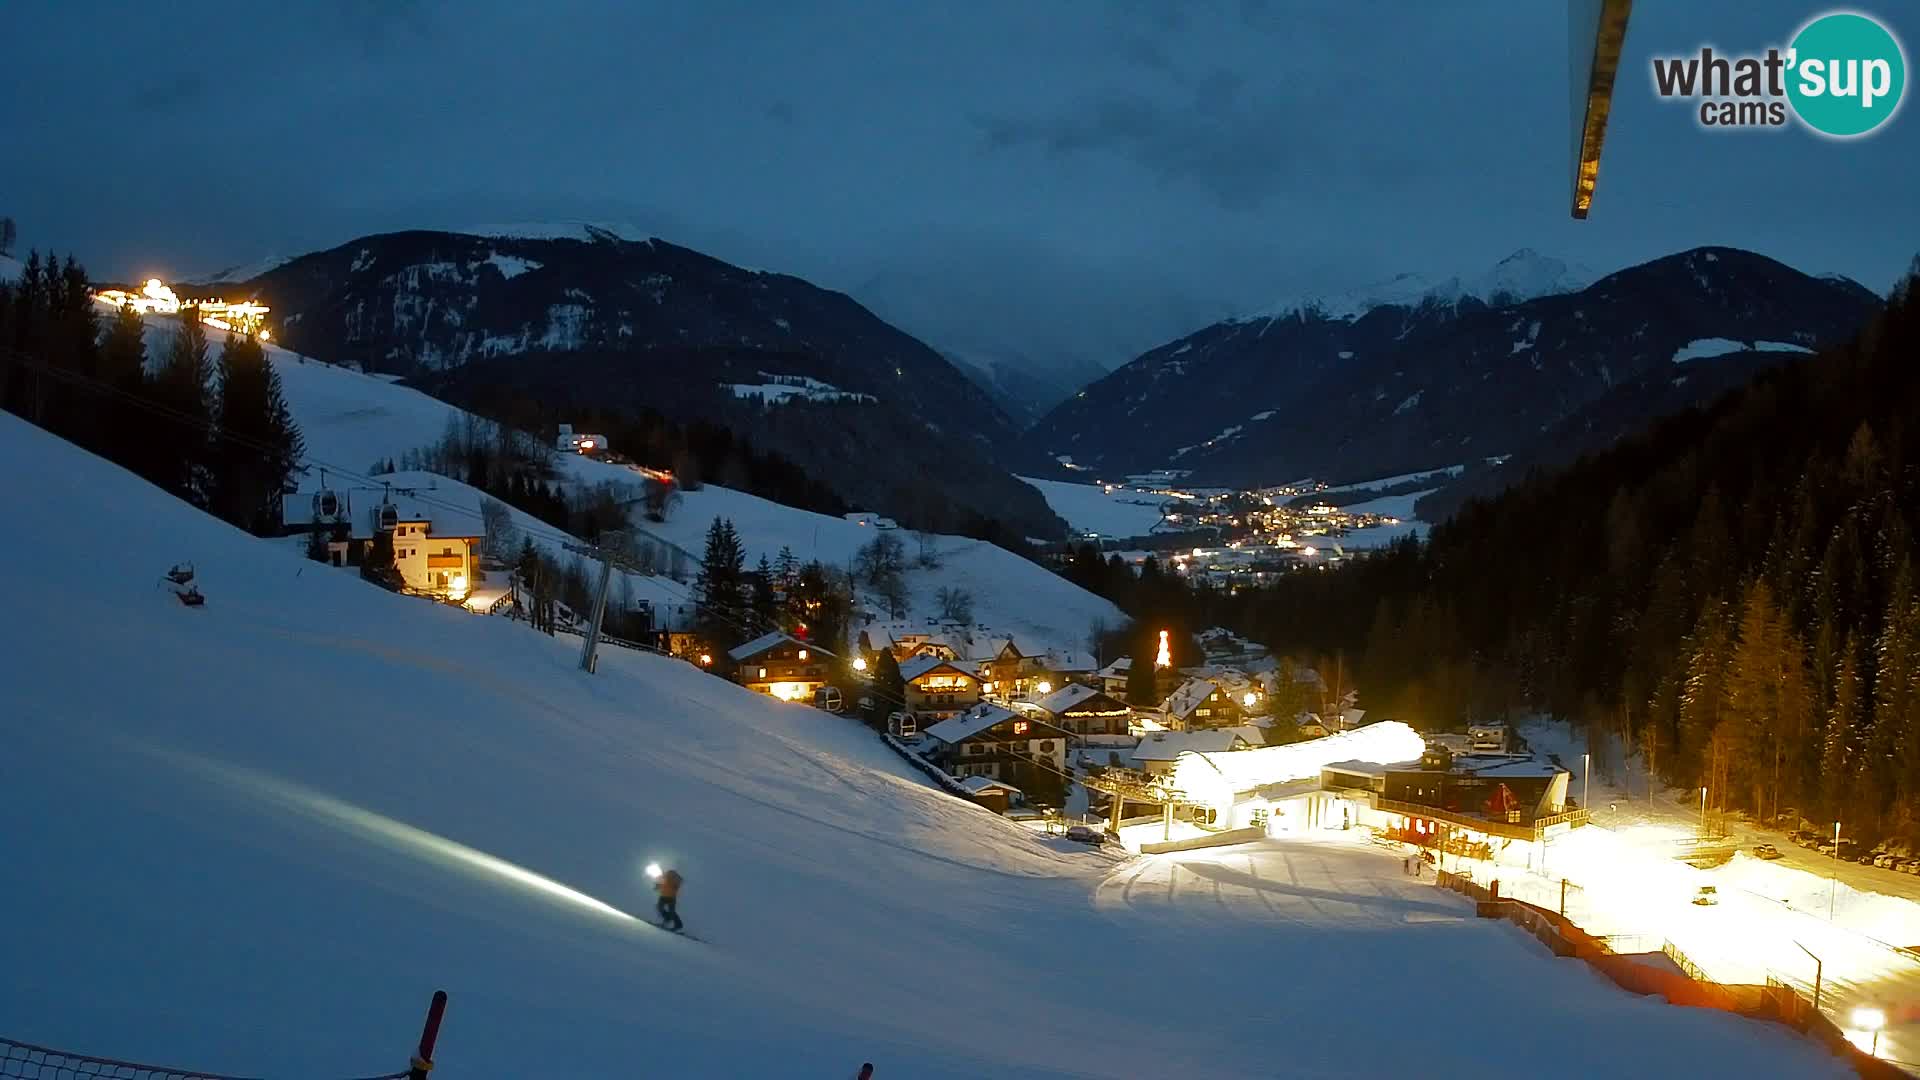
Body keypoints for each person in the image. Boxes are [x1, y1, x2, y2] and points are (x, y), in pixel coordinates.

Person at [654, 866, 684, 931]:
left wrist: (658, 886)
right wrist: (657, 886)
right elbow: (661, 883)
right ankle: (668, 918)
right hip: (665, 896)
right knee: (660, 907)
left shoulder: (675, 878)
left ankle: (678, 924)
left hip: (670, 897)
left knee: (670, 911)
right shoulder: (665, 876)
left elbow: (678, 883)